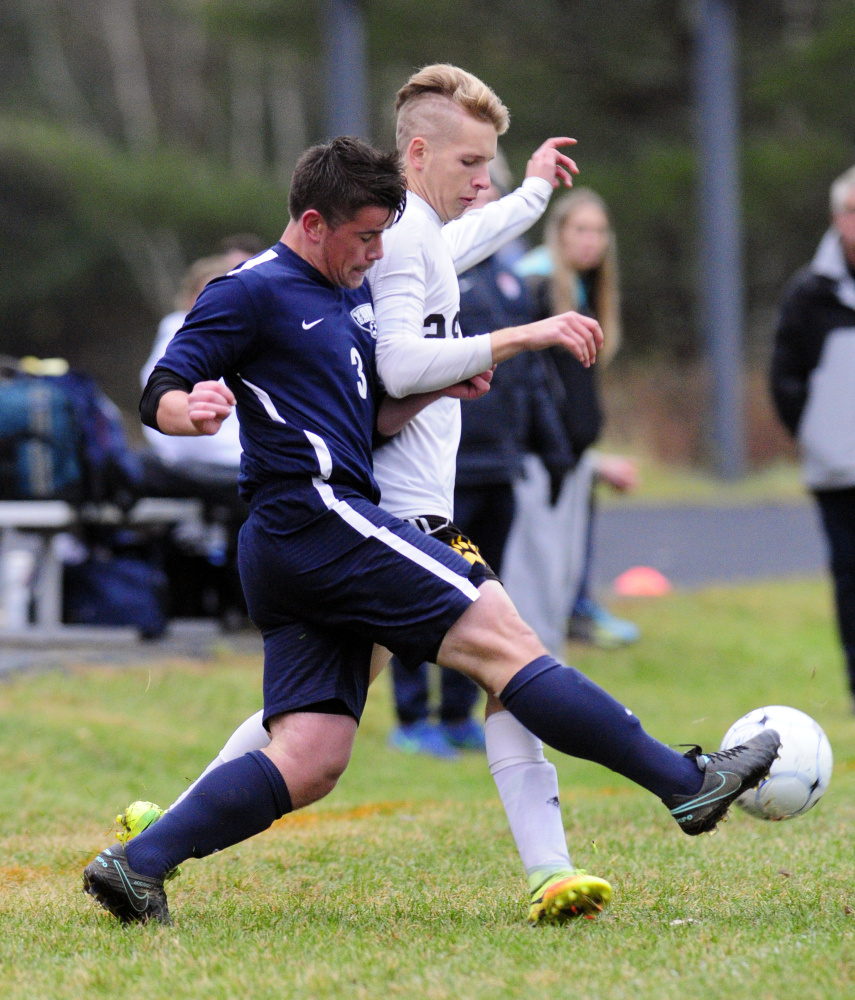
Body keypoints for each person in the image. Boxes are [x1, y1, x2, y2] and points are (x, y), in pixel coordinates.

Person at [80, 133, 780, 929]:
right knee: (504, 641)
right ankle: (687, 786)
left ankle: (137, 866)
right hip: (317, 515)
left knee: (310, 757)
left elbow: (362, 416)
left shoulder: (341, 294)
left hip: (295, 540)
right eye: (367, 236)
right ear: (313, 222)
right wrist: (189, 410)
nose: (379, 253)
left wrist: (438, 389)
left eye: (385, 235)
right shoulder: (251, 290)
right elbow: (164, 388)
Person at [387, 153, 573, 759]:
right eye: (470, 167)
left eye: (489, 174)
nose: (480, 188)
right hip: (429, 486)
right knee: (428, 616)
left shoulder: (508, 279)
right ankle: (413, 717)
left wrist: (550, 446)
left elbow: (527, 378)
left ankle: (456, 713)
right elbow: (400, 370)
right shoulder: (413, 257)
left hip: (496, 463)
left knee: (487, 615)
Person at [503, 188, 640, 655]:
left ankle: (549, 683)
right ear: (558, 233)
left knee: (560, 581)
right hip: (540, 461)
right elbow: (528, 385)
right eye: (580, 229)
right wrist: (552, 447)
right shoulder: (534, 286)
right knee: (536, 586)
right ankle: (537, 687)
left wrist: (592, 459)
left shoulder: (580, 289)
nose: (591, 241)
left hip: (572, 461)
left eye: (600, 231)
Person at [771, 164, 855, 710]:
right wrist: (823, 436)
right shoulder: (809, 292)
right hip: (838, 470)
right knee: (851, 577)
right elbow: (785, 377)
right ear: (836, 218)